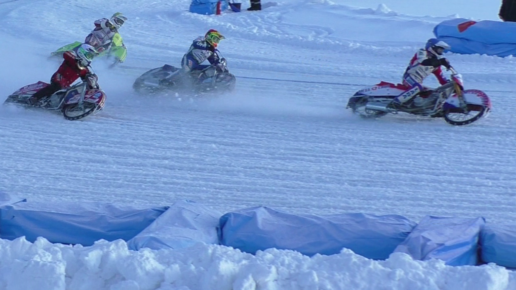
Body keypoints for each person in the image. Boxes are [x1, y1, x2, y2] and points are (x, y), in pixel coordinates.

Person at [28, 44, 99, 105]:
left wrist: (92, 83)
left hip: (66, 84)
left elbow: (86, 78)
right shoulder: (73, 57)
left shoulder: (84, 69)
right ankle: (35, 97)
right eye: (89, 56)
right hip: (58, 77)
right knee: (57, 86)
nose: (90, 58)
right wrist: (76, 59)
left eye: (91, 57)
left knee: (72, 91)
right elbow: (66, 54)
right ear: (82, 52)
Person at [389, 38, 452, 108]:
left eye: (442, 50)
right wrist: (440, 62)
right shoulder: (422, 52)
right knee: (418, 87)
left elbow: (441, 78)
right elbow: (423, 62)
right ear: (432, 47)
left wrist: (451, 85)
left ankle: (423, 108)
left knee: (432, 92)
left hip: (418, 81)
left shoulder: (436, 65)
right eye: (439, 49)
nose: (441, 52)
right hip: (409, 78)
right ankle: (396, 102)